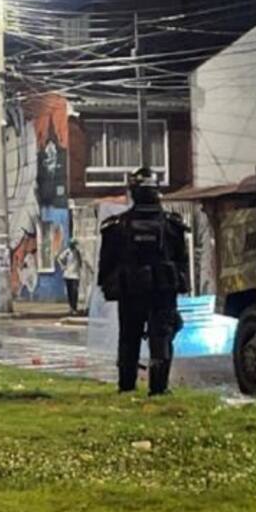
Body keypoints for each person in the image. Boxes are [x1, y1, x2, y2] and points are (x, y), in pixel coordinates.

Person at [98, 166, 189, 396]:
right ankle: (159, 389)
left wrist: (110, 288)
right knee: (161, 339)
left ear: (133, 192)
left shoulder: (116, 226)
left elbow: (106, 265)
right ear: (157, 192)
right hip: (162, 294)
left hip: (131, 294)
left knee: (129, 338)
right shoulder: (172, 225)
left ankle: (127, 386)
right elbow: (182, 262)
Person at [56, 238, 85, 316]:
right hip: (68, 274)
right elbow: (59, 258)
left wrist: (80, 268)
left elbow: (81, 261)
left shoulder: (78, 252)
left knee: (75, 291)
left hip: (75, 275)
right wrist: (63, 267)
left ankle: (74, 307)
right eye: (73, 245)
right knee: (70, 292)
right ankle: (71, 307)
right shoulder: (67, 252)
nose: (75, 246)